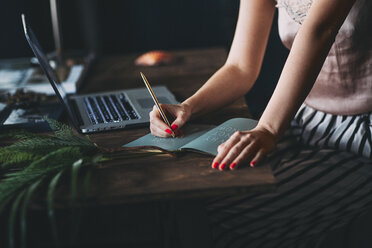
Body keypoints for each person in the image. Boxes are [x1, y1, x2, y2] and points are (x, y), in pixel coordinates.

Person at [150, 0, 372, 246]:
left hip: (363, 136)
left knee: (220, 214)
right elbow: (240, 67)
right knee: (187, 204)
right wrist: (188, 106)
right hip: (303, 119)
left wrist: (267, 129)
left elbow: (321, 30)